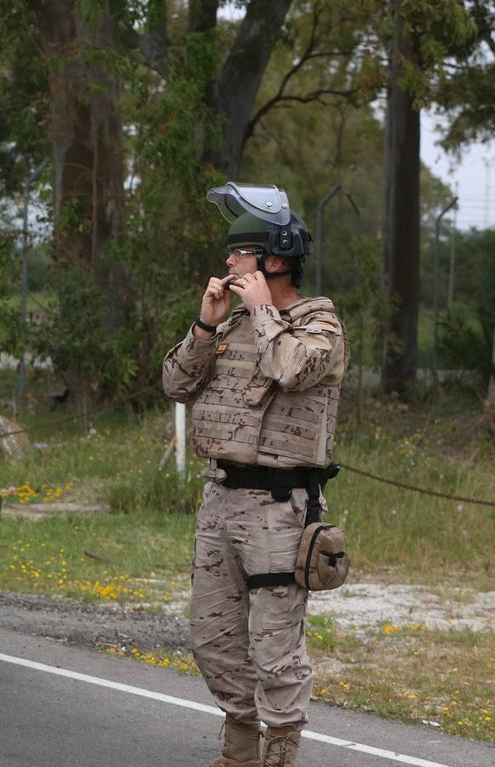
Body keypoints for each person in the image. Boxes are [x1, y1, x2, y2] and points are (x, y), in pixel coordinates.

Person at [162, 183, 349, 767]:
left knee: (274, 647)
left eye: (239, 254)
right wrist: (203, 324)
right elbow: (174, 384)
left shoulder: (320, 327)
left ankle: (280, 752)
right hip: (221, 498)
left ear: (272, 260)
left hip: (279, 508)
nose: (228, 263)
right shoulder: (230, 326)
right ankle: (239, 749)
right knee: (214, 641)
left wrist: (265, 310)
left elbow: (292, 369)